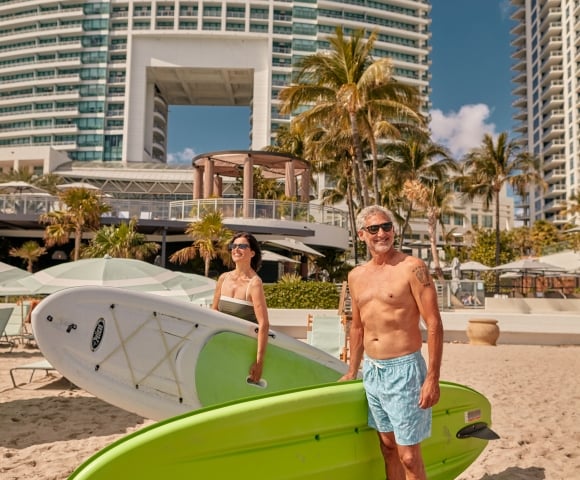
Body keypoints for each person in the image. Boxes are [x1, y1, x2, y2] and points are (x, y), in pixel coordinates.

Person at [339, 205, 443, 480]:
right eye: (374, 229)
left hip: (405, 370)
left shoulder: (412, 268)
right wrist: (352, 370)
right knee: (387, 448)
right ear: (362, 235)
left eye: (387, 227)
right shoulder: (356, 276)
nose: (382, 233)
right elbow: (358, 326)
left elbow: (433, 324)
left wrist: (432, 377)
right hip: (373, 371)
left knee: (408, 456)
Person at [211, 232, 270, 384]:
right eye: (234, 246)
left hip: (243, 353)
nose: (236, 249)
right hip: (222, 347)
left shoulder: (254, 283)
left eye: (242, 246)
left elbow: (264, 324)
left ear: (252, 253)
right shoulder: (223, 278)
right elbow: (213, 313)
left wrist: (259, 362)